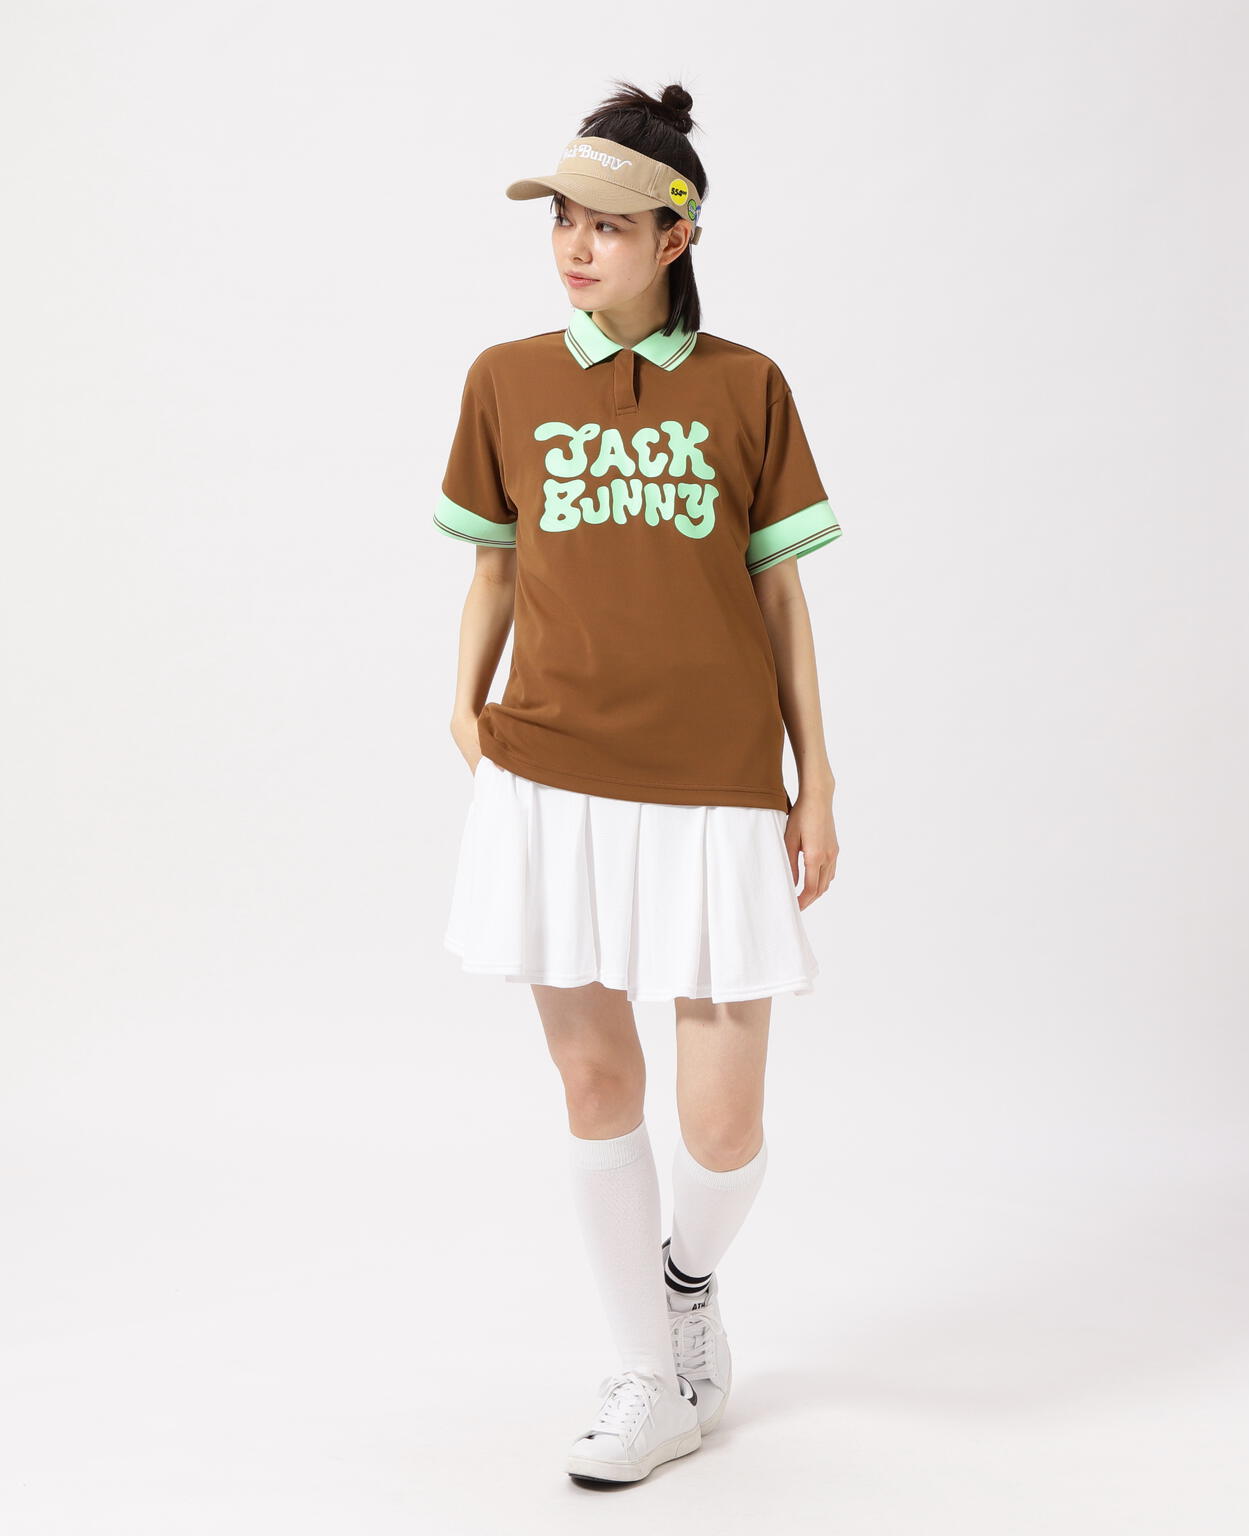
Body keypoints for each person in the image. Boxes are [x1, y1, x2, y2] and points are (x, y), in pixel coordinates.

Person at [435, 79, 841, 1484]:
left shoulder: (747, 386)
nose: (574, 245)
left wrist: (815, 780)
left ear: (677, 236)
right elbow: (494, 565)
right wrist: (462, 702)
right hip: (551, 768)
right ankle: (645, 1381)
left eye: (606, 224)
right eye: (561, 218)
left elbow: (780, 597)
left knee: (723, 1125)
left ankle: (684, 1284)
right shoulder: (505, 379)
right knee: (594, 1077)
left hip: (716, 778)